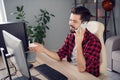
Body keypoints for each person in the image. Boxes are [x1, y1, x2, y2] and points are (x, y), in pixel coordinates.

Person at [29, 6, 101, 77]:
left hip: (87, 76)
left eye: (74, 21)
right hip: (72, 70)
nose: (70, 24)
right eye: (70, 20)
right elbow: (59, 55)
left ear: (84, 24)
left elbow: (82, 68)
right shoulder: (71, 36)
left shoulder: (94, 42)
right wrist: (43, 49)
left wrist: (79, 44)